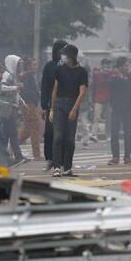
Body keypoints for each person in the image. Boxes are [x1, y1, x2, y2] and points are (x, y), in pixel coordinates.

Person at [49, 44, 88, 177]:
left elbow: (82, 92)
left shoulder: (82, 72)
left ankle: (67, 168)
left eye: (65, 55)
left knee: (70, 139)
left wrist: (74, 109)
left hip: (72, 103)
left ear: (71, 56)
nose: (63, 57)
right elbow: (55, 89)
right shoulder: (59, 69)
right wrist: (52, 109)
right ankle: (56, 166)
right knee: (58, 136)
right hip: (59, 104)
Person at [41, 39, 67, 171]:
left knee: (63, 133)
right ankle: (50, 159)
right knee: (49, 132)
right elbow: (45, 86)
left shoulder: (70, 65)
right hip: (52, 105)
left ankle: (61, 161)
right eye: (62, 50)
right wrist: (44, 106)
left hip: (66, 104)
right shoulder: (49, 66)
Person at [0, 54, 26, 166]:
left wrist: (22, 102)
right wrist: (16, 87)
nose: (19, 66)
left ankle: (5, 157)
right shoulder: (7, 75)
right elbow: (1, 88)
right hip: (8, 108)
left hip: (12, 107)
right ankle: (16, 156)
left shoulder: (13, 75)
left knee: (8, 133)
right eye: (17, 64)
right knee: (12, 133)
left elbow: (16, 93)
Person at [107, 57, 131, 165]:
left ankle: (127, 157)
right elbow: (109, 85)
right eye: (126, 65)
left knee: (128, 134)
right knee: (114, 134)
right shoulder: (114, 78)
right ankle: (115, 157)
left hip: (128, 109)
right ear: (120, 67)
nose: (128, 67)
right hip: (116, 109)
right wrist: (119, 78)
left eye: (129, 65)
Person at [18, 58, 42, 160]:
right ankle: (36, 154)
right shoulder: (27, 77)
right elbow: (27, 92)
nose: (36, 67)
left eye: (36, 65)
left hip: (29, 105)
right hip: (29, 105)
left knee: (28, 129)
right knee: (35, 128)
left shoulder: (27, 76)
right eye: (34, 65)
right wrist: (36, 97)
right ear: (28, 66)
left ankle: (11, 148)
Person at [89, 58, 111, 142]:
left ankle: (108, 135)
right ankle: (94, 134)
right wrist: (92, 98)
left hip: (108, 98)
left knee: (109, 118)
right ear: (102, 65)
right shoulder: (97, 74)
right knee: (96, 117)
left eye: (108, 64)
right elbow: (93, 86)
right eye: (105, 64)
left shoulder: (111, 74)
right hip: (98, 97)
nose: (107, 65)